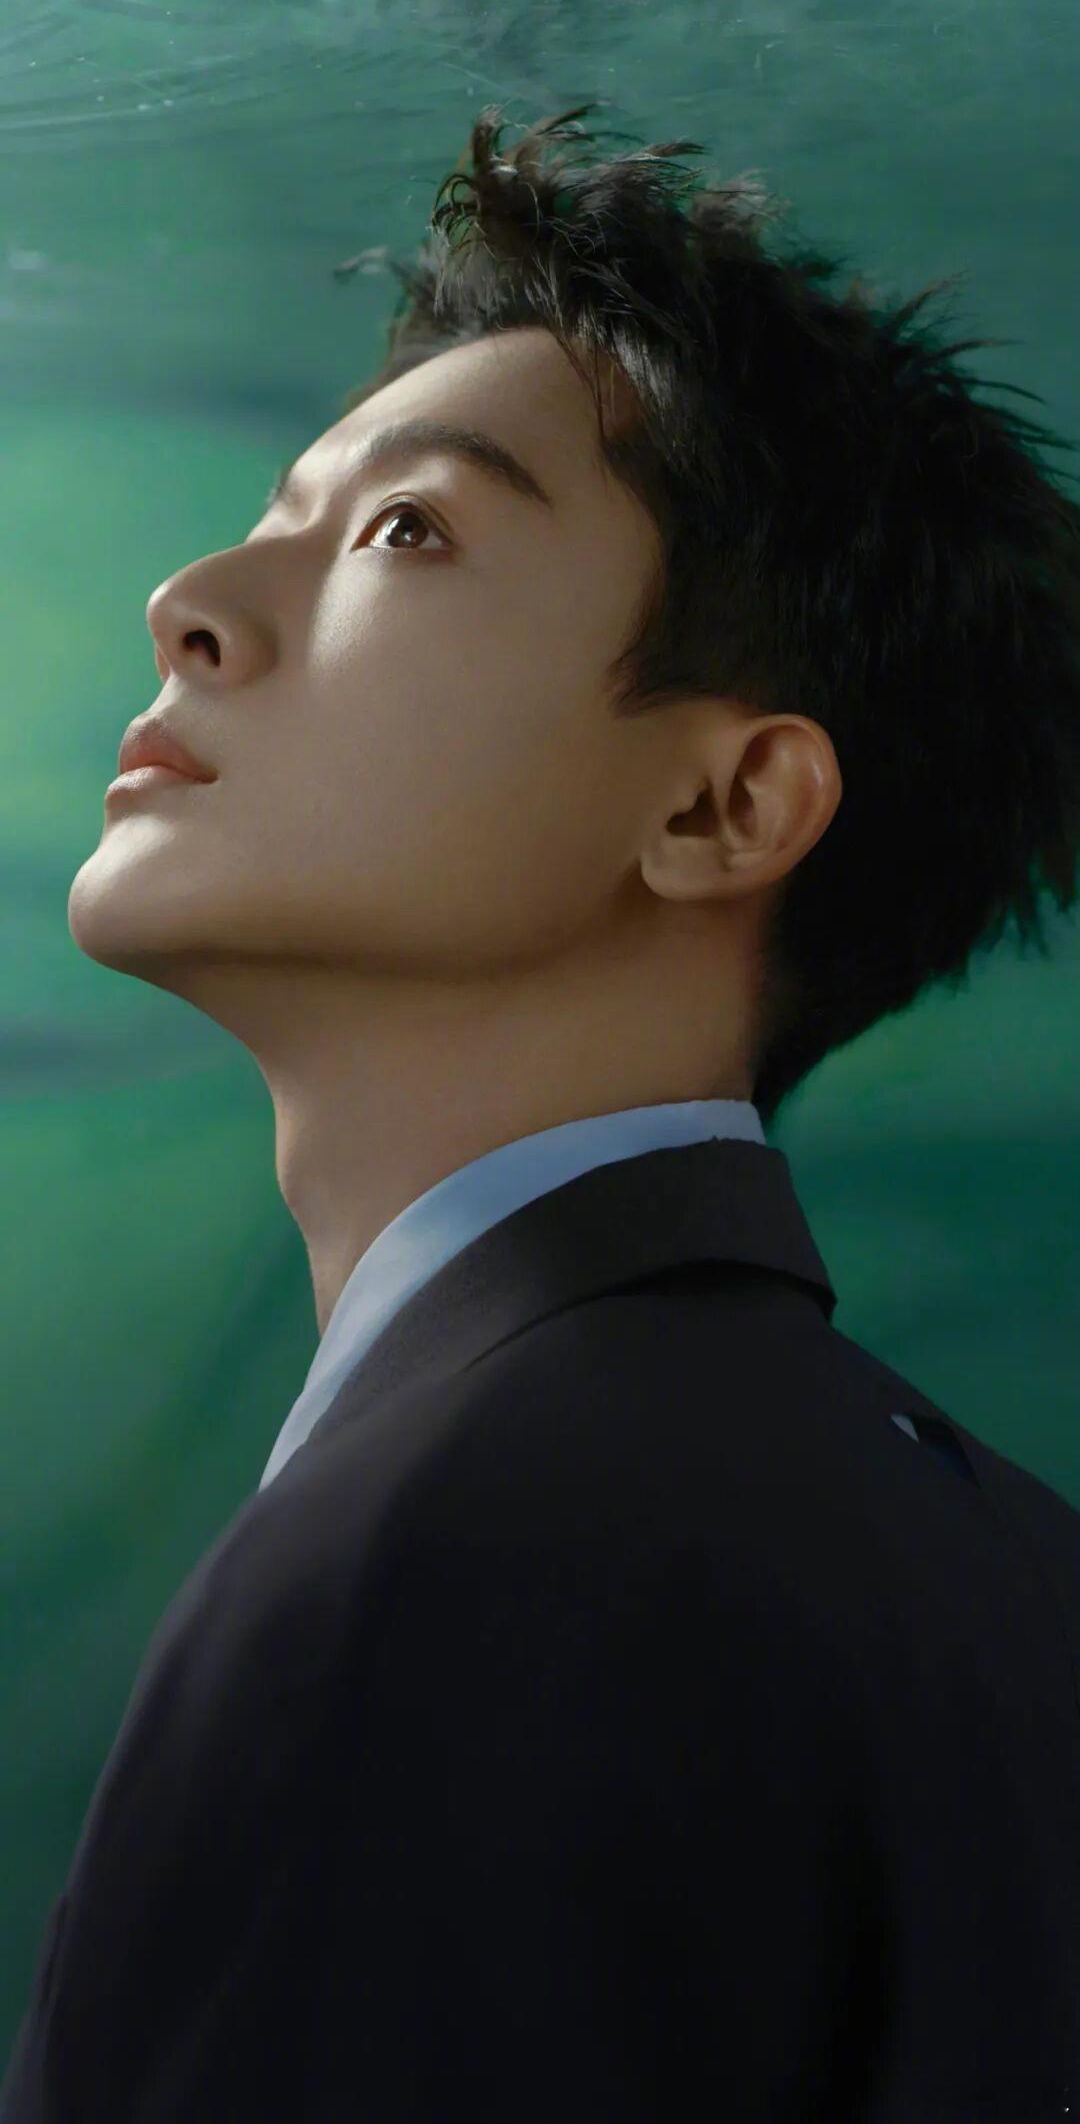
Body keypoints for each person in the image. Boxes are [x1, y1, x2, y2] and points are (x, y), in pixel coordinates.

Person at [3, 102, 1078, 2118]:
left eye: (407, 532)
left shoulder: (434, 1573)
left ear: (726, 803)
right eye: (285, 511)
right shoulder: (1013, 1561)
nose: (196, 597)